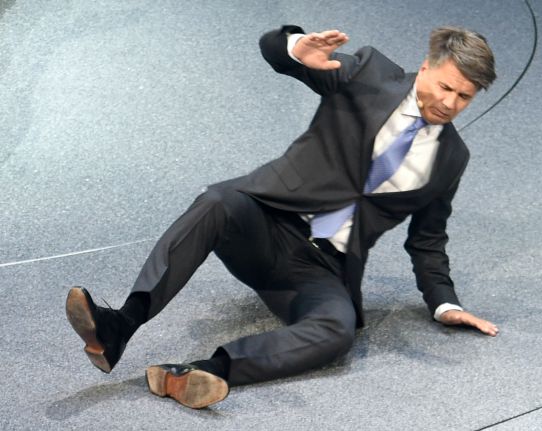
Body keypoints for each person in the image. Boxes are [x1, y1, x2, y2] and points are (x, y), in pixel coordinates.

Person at [66, 24, 499, 409]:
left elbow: (428, 239)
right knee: (218, 200)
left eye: (464, 97)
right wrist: (294, 48)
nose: (450, 103)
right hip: (266, 222)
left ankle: (199, 372)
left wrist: (445, 304)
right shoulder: (369, 74)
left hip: (321, 267)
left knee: (337, 330)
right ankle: (120, 324)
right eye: (446, 87)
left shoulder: (451, 157)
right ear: (426, 68)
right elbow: (273, 49)